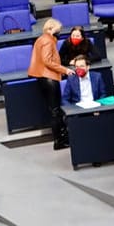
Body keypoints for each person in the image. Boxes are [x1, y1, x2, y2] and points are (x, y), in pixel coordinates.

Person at [29, 17, 68, 149]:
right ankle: (59, 141)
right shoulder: (48, 41)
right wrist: (65, 70)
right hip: (49, 78)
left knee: (54, 110)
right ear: (50, 29)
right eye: (58, 30)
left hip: (43, 77)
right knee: (56, 111)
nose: (60, 32)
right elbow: (47, 61)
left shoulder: (42, 39)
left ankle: (60, 139)